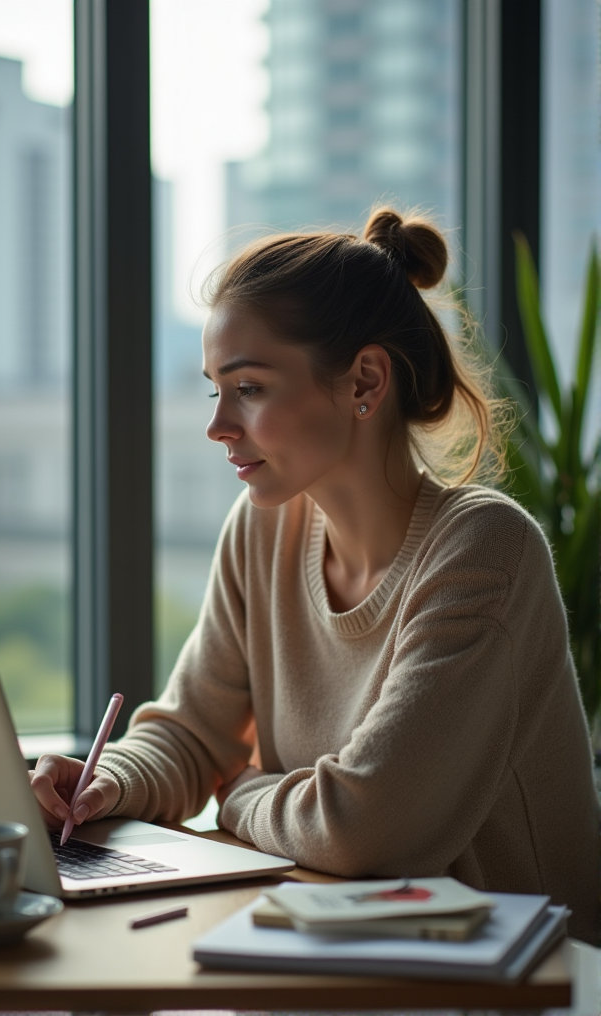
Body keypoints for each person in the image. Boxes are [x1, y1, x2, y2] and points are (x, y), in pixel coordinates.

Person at [31, 207, 600, 943]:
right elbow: (194, 737)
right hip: (346, 948)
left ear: (365, 379)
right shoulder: (264, 527)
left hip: (517, 979)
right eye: (216, 390)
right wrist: (108, 781)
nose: (219, 426)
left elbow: (369, 828)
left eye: (252, 389)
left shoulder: (485, 549)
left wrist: (238, 798)